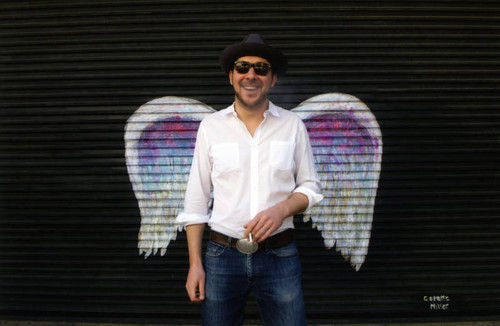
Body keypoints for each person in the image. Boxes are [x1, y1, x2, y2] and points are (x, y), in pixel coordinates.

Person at [176, 34, 323, 326]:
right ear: (231, 77)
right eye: (242, 67)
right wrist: (195, 264)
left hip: (279, 255)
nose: (251, 75)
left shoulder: (292, 125)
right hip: (221, 257)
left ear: (273, 79)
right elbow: (196, 199)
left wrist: (281, 209)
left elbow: (311, 187)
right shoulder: (211, 127)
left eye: (261, 68)